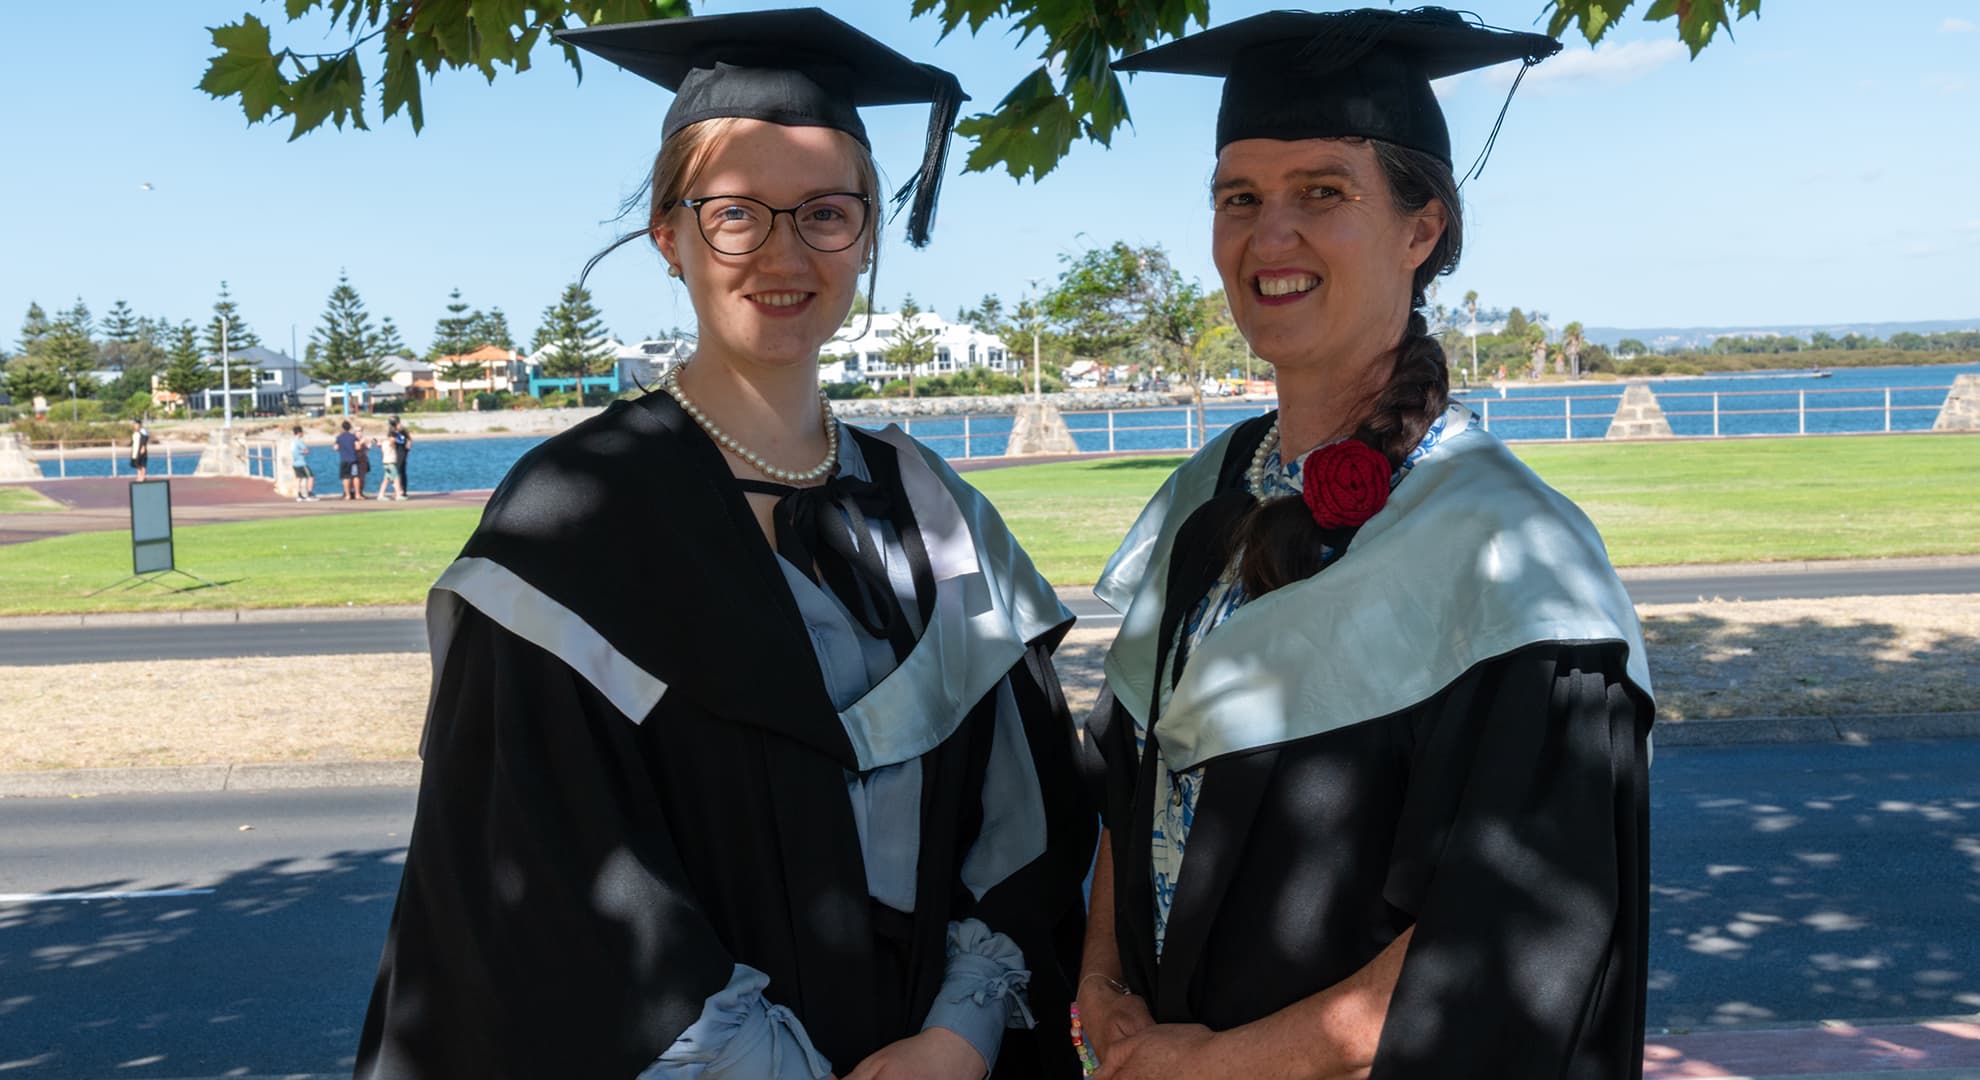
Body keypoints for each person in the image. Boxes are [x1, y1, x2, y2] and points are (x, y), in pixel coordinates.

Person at [356, 10, 1093, 1079]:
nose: (785, 255)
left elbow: (1028, 811)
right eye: (736, 215)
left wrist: (963, 1033)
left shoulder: (934, 511)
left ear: (871, 233)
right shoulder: (572, 518)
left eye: (827, 215)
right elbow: (545, 881)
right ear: (671, 235)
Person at [1075, 10, 1654, 1078]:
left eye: (1322, 193)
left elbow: (1512, 946)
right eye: (1238, 198)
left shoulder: (1511, 556)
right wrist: (1102, 988)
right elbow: (1133, 772)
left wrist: (1213, 1066)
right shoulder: (1205, 496)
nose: (1269, 236)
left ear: (1421, 229)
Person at [376, 421, 404, 501]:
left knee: (386, 479)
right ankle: (398, 495)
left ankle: (381, 494)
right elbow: (401, 440)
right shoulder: (390, 442)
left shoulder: (384, 442)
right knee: (396, 478)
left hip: (385, 462)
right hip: (391, 462)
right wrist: (397, 433)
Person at [333, 420, 360, 500]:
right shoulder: (353, 437)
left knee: (345, 477)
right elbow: (358, 447)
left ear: (342, 428)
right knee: (355, 476)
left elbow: (335, 448)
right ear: (350, 427)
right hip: (353, 459)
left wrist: (342, 448)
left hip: (344, 459)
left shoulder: (339, 437)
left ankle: (347, 495)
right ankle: (357, 494)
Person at [290, 425, 318, 501]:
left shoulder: (292, 442)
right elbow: (306, 450)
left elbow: (293, 452)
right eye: (302, 433)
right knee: (311, 477)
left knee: (299, 479)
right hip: (301, 463)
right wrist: (304, 452)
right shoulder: (298, 441)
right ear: (299, 433)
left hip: (295, 463)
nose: (302, 434)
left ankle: (299, 495)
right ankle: (309, 494)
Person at [387, 415, 411, 497]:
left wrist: (408, 450)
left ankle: (403, 490)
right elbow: (390, 441)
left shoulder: (403, 430)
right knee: (395, 471)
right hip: (394, 452)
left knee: (401, 471)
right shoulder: (391, 430)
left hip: (402, 451)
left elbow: (409, 439)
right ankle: (398, 489)